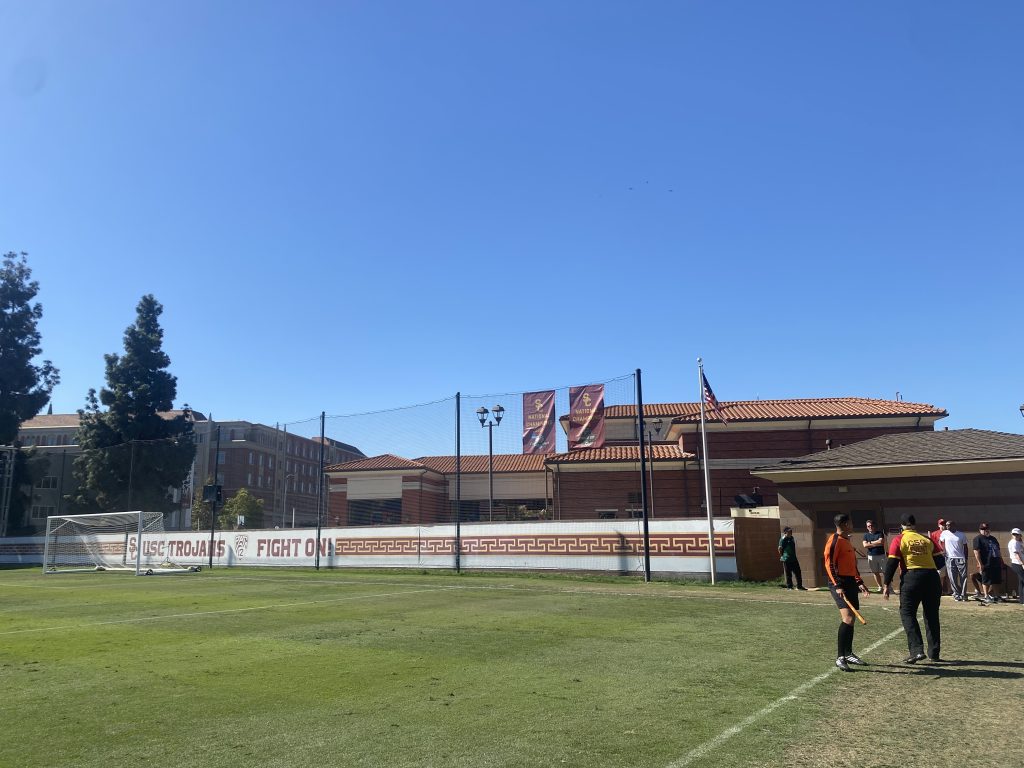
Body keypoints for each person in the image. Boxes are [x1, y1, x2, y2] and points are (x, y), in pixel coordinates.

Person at [883, 512, 941, 663]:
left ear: (901, 526)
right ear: (915, 525)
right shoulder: (927, 539)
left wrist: (886, 583)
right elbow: (940, 560)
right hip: (932, 578)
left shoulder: (899, 539)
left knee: (907, 613)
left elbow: (892, 563)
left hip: (912, 578)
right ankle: (934, 653)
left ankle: (916, 650)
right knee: (931, 615)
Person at [824, 513, 870, 672]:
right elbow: (829, 565)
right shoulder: (834, 541)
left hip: (850, 582)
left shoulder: (847, 541)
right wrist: (837, 585)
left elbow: (852, 565)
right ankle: (840, 657)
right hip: (839, 582)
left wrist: (859, 582)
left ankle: (849, 653)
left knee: (852, 619)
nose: (852, 525)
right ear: (844, 524)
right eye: (850, 522)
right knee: (848, 618)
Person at [972, 522, 1004, 604]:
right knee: (986, 580)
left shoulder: (993, 539)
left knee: (996, 580)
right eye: (983, 529)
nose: (985, 531)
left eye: (986, 529)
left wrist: (1001, 560)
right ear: (980, 530)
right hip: (986, 563)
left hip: (996, 562)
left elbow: (998, 550)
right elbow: (976, 552)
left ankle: (997, 596)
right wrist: (980, 563)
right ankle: (986, 596)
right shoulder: (978, 539)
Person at [939, 520, 969, 601]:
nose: (947, 527)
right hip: (949, 558)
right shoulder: (944, 533)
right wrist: (943, 550)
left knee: (963, 577)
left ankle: (963, 594)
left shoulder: (961, 534)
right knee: (952, 577)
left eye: (949, 525)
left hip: (961, 558)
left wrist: (965, 558)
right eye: (946, 525)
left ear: (954, 525)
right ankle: (956, 594)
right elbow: (941, 542)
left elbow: (965, 546)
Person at [777, 526, 807, 590]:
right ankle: (789, 587)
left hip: (794, 558)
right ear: (785, 532)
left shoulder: (791, 538)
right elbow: (779, 549)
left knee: (798, 572)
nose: (791, 533)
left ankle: (799, 586)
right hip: (786, 559)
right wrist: (782, 556)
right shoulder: (782, 539)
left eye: (791, 531)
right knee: (788, 573)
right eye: (789, 531)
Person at [861, 520, 887, 593]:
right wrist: (876, 543)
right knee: (875, 572)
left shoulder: (880, 533)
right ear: (867, 527)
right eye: (868, 526)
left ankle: (888, 587)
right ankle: (880, 587)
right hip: (871, 556)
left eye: (871, 525)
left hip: (881, 555)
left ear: (874, 526)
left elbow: (881, 542)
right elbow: (865, 545)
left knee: (885, 572)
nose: (870, 527)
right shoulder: (865, 535)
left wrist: (870, 543)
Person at [931, 518, 948, 594]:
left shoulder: (949, 533)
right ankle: (940, 590)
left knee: (949, 575)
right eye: (942, 524)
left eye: (944, 524)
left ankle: (949, 590)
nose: (943, 526)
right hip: (939, 556)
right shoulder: (934, 533)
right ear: (938, 525)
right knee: (940, 574)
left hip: (949, 555)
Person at [1008, 528, 1024, 605]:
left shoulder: (1019, 542)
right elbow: (1016, 555)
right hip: (1017, 564)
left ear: (1019, 535)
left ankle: (1022, 600)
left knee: (1021, 582)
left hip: (1020, 563)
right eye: (1013, 534)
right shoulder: (1013, 543)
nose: (1015, 536)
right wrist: (1022, 564)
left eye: (1016, 534)